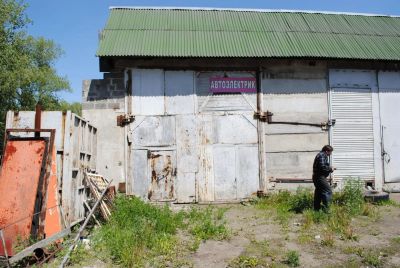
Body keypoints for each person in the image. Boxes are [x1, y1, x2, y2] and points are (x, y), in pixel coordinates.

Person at [312, 145, 335, 212]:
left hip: (317, 177)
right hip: (319, 177)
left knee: (318, 193)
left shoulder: (320, 155)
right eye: (330, 152)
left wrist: (329, 167)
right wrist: (330, 169)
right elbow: (322, 167)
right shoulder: (322, 155)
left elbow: (322, 166)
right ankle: (327, 210)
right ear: (326, 151)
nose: (330, 154)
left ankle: (316, 209)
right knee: (328, 191)